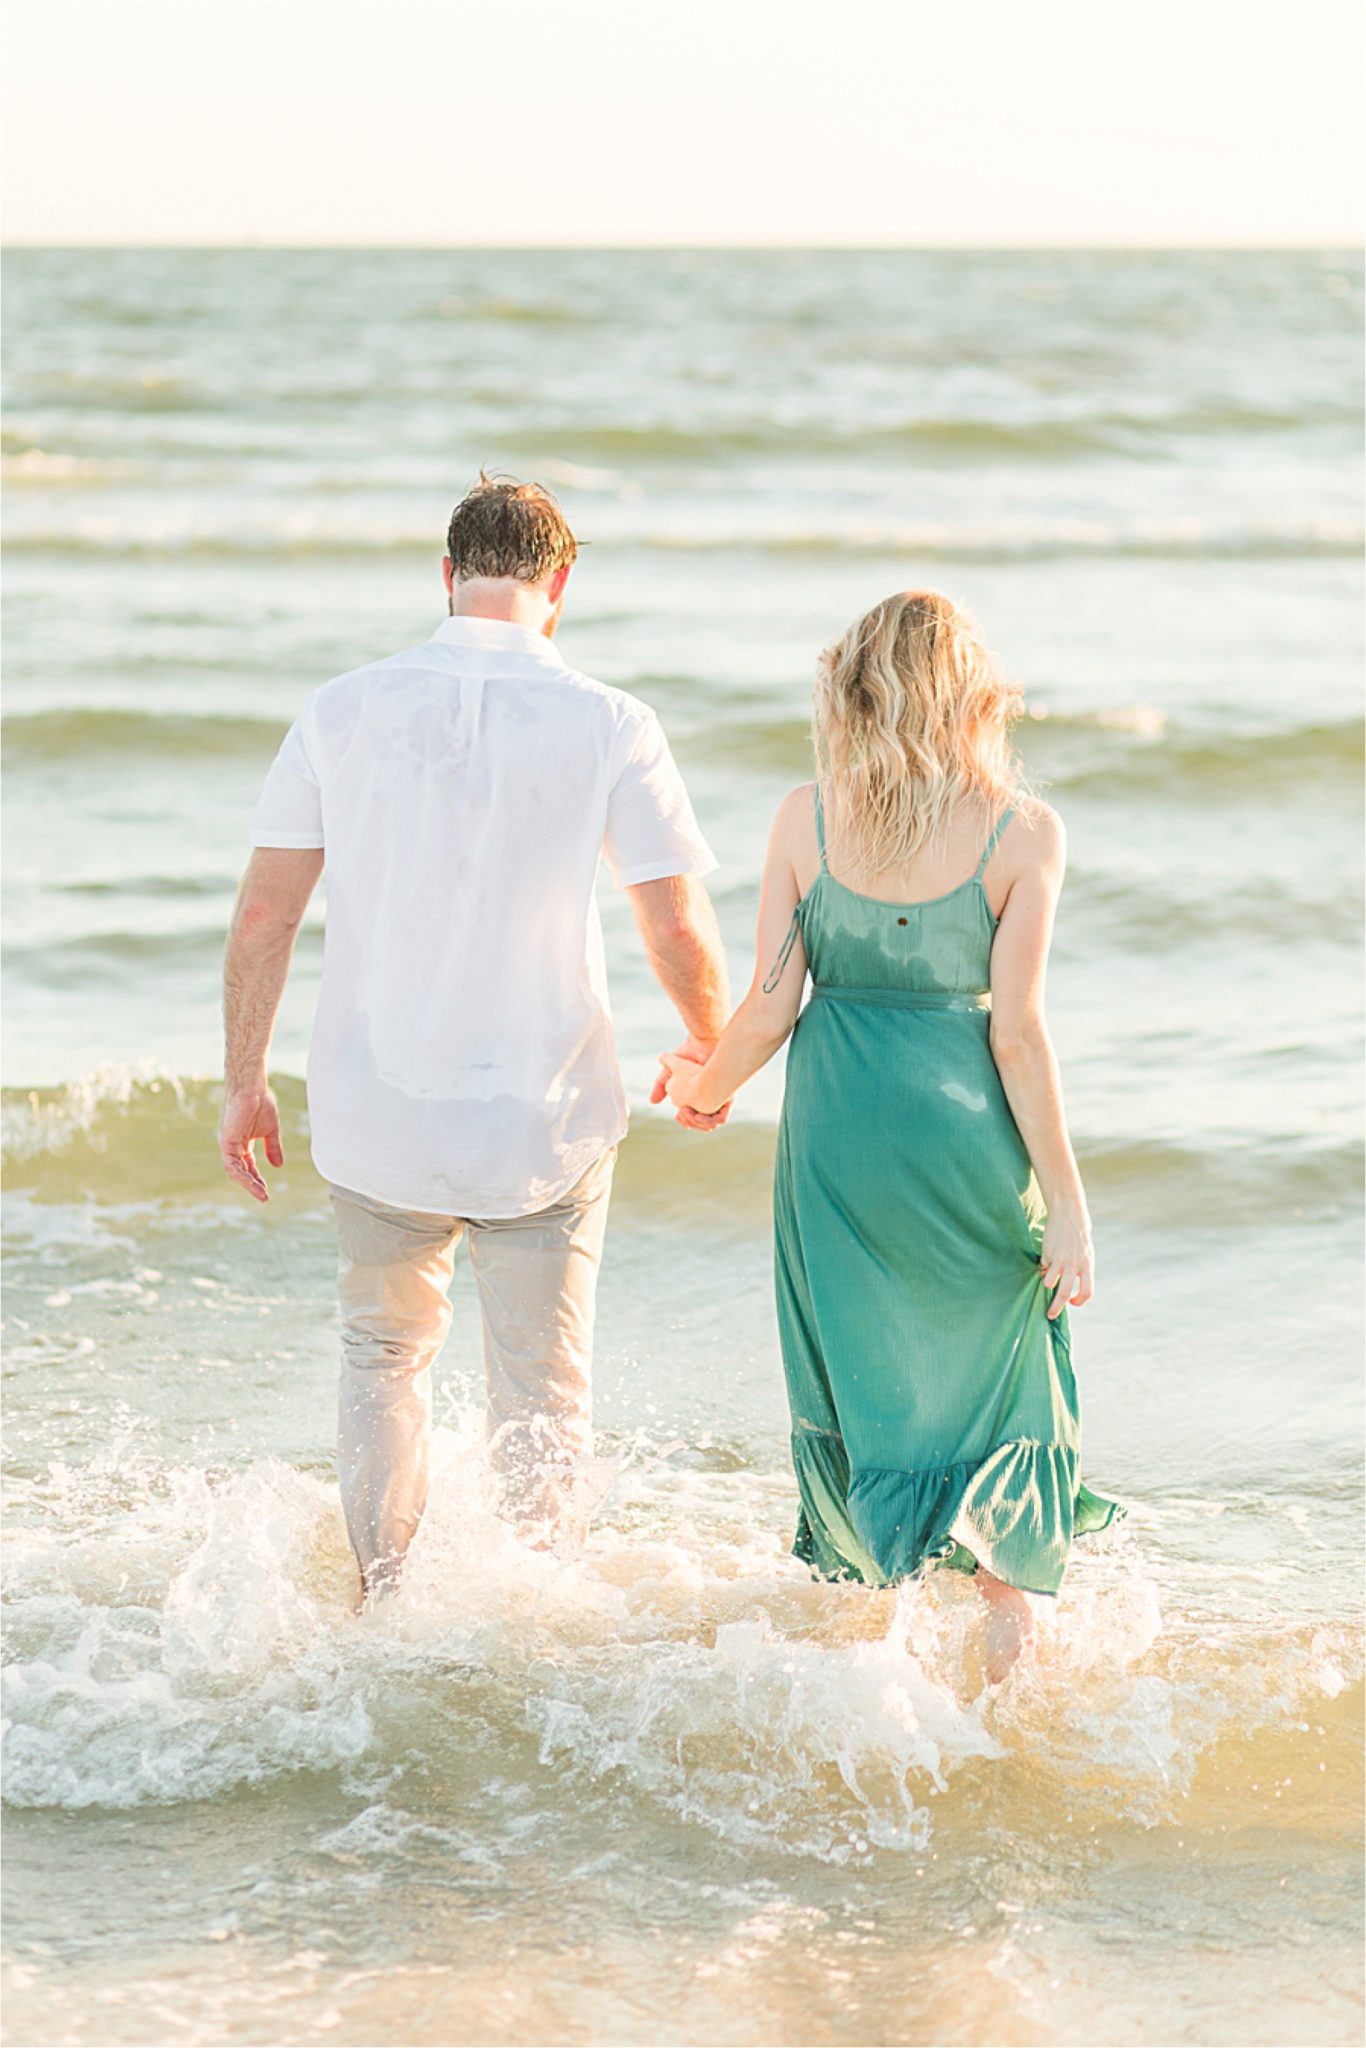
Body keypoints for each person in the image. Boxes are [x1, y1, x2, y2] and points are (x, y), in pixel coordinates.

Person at [219, 473, 731, 1606]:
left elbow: (264, 915)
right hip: (539, 1120)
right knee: (541, 1392)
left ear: (447, 577)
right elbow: (673, 919)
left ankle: (388, 1599)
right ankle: (526, 1619)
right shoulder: (610, 722)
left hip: (376, 1110)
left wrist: (243, 1082)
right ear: (561, 581)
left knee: (380, 1361)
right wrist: (711, 1049)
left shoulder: (340, 709)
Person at [662, 589, 1122, 1682]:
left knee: (865, 1385)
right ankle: (1002, 1702)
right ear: (971, 697)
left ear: (853, 693)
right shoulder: (1022, 831)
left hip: (836, 1150)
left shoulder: (803, 818)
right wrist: (1067, 1203)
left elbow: (770, 1007)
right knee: (1009, 1387)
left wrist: (701, 1084)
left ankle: (878, 1700)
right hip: (966, 1150)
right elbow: (1018, 1036)